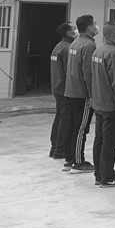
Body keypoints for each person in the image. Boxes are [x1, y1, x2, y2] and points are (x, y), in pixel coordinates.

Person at [91, 21, 115, 188]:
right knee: (110, 142)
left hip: (99, 102)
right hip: (111, 104)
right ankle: (107, 177)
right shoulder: (114, 53)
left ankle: (99, 174)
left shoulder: (98, 50)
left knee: (100, 140)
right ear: (114, 34)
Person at [63, 15, 99, 174]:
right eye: (95, 24)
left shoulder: (75, 43)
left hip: (71, 90)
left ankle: (69, 159)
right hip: (82, 93)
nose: (96, 26)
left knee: (72, 126)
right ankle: (78, 162)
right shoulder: (89, 45)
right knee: (81, 128)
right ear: (90, 27)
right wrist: (92, 94)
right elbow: (88, 72)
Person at [49, 21, 75, 161]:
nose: (76, 31)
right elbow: (68, 71)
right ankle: (60, 149)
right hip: (64, 89)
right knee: (65, 119)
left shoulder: (58, 46)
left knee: (59, 117)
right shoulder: (67, 48)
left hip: (57, 87)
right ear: (68, 33)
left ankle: (54, 147)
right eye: (74, 29)